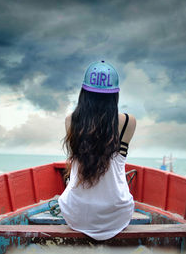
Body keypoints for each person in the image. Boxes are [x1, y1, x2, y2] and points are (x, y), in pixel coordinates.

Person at [58, 60, 136, 241]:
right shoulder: (128, 122)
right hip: (117, 216)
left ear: (84, 93)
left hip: (77, 214)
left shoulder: (71, 121)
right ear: (114, 94)